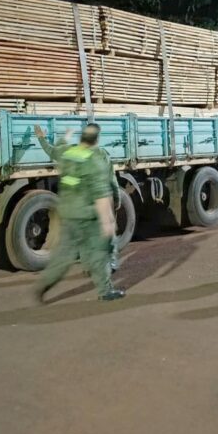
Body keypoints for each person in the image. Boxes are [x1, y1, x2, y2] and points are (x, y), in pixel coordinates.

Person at [33, 123, 125, 303]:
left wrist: (44, 138)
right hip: (89, 216)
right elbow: (104, 190)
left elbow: (53, 151)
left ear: (81, 138)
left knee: (64, 255)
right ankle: (105, 291)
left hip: (67, 213)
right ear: (96, 139)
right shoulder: (98, 158)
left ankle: (44, 284)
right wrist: (109, 220)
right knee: (99, 253)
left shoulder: (68, 153)